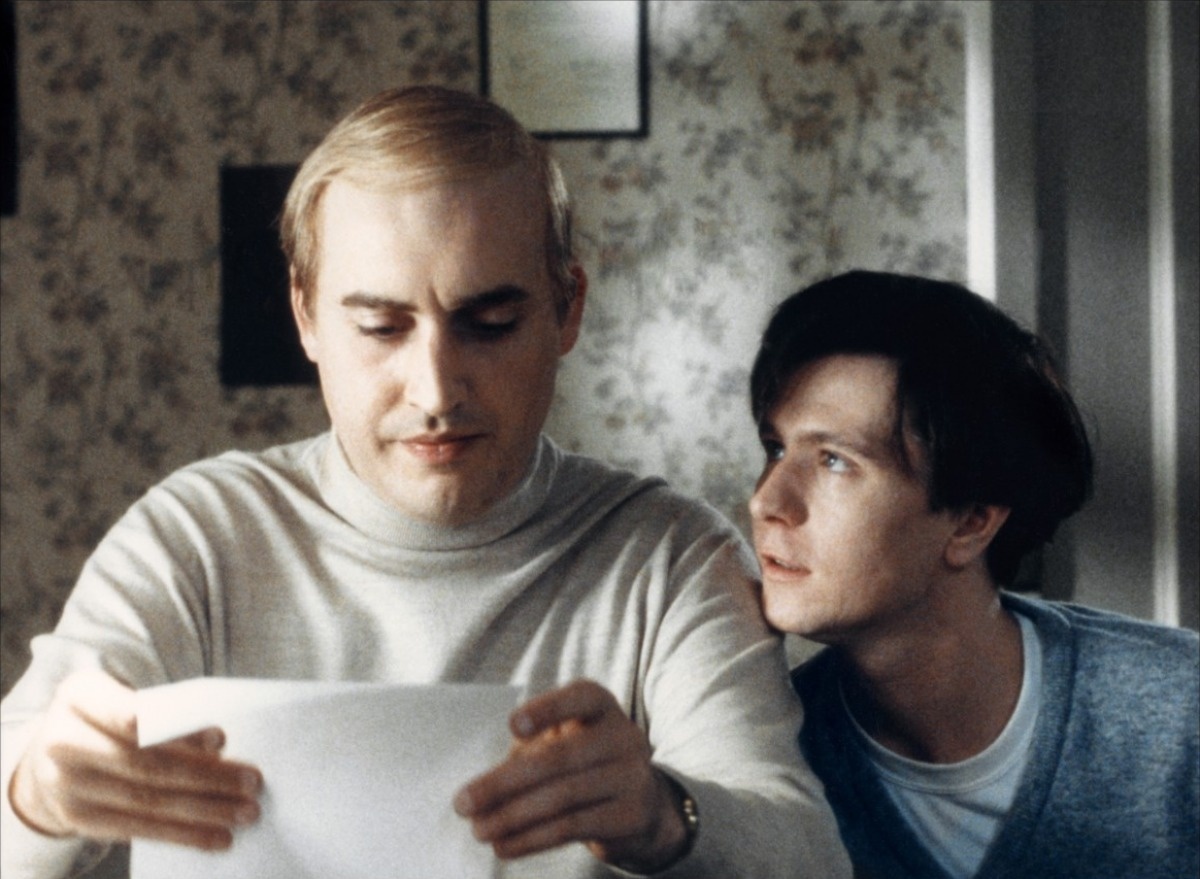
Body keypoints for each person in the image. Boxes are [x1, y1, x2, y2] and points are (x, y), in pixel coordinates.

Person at [0, 86, 851, 879]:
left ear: (567, 309)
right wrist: (37, 792)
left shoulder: (669, 554)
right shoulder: (195, 536)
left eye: (491, 323)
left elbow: (809, 852)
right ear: (306, 317)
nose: (437, 391)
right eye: (381, 326)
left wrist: (666, 815)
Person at [747, 269, 1200, 879]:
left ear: (970, 523)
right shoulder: (767, 754)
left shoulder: (1181, 711)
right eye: (776, 449)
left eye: (834, 460)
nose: (767, 501)